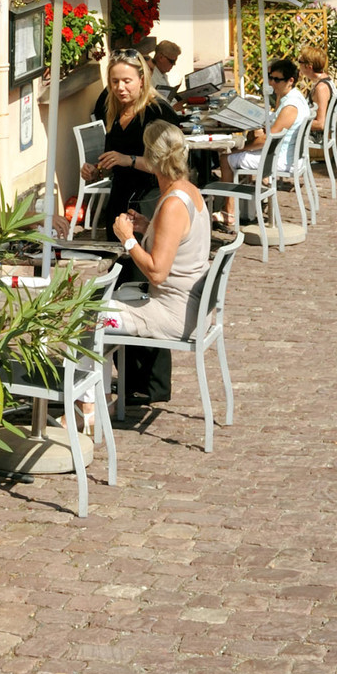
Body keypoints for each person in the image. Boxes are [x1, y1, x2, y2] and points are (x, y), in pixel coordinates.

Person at [105, 120, 212, 408]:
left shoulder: (173, 204)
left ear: (150, 157)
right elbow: (179, 239)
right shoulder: (188, 190)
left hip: (173, 312)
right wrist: (147, 226)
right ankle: (97, 400)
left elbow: (157, 272)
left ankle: (87, 407)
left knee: (89, 318)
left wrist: (128, 239)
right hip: (189, 305)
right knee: (101, 307)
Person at [79, 51, 172, 236]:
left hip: (150, 202)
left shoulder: (158, 112)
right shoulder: (113, 111)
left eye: (127, 81)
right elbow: (113, 161)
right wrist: (96, 170)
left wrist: (129, 160)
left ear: (142, 80)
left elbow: (169, 166)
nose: (120, 87)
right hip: (119, 201)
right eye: (115, 81)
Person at [219, 56, 310, 181]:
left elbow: (267, 139)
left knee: (225, 157)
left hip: (282, 159)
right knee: (252, 136)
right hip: (286, 154)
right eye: (270, 78)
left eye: (277, 80)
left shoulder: (290, 107)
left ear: (290, 81)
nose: (271, 83)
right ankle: (243, 187)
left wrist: (239, 148)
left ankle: (228, 194)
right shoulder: (295, 96)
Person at [296, 49, 334, 134]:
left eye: (300, 62)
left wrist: (294, 122)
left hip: (311, 135)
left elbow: (320, 124)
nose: (298, 65)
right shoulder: (326, 80)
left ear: (309, 67)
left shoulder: (321, 88)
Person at [149, 41, 185, 114]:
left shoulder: (162, 74)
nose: (174, 64)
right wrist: (175, 108)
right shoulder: (152, 76)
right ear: (161, 57)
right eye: (172, 61)